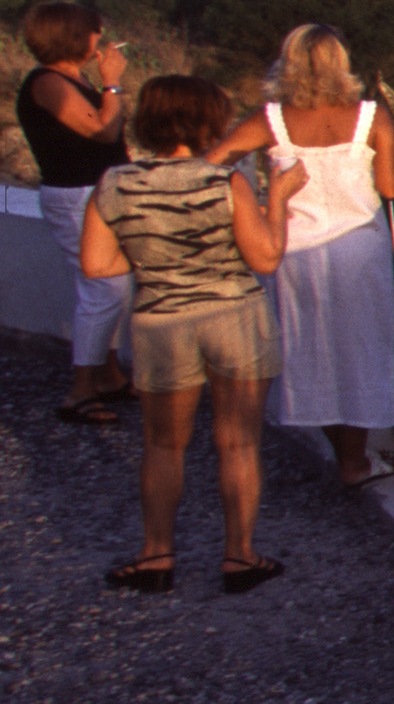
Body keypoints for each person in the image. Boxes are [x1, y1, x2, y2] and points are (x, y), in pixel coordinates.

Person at [79, 75, 306, 593]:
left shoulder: (115, 183)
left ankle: (155, 555)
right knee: (238, 443)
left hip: (161, 322)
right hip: (235, 318)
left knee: (162, 445)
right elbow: (265, 257)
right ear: (208, 121)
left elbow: (96, 265)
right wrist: (278, 197)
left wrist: (156, 260)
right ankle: (240, 557)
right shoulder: (223, 182)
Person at [209, 24, 394, 487]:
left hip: (295, 251)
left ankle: (344, 456)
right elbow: (388, 186)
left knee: (309, 351)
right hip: (359, 250)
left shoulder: (270, 119)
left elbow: (212, 162)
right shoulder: (371, 116)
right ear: (341, 62)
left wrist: (248, 203)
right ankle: (355, 460)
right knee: (362, 349)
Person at [16, 0, 136, 422]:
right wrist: (112, 84)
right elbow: (102, 130)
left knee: (115, 287)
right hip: (76, 197)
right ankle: (80, 391)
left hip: (96, 192)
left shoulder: (71, 79)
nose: (100, 39)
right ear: (75, 37)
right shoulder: (48, 83)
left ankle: (107, 375)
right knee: (105, 288)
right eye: (94, 32)